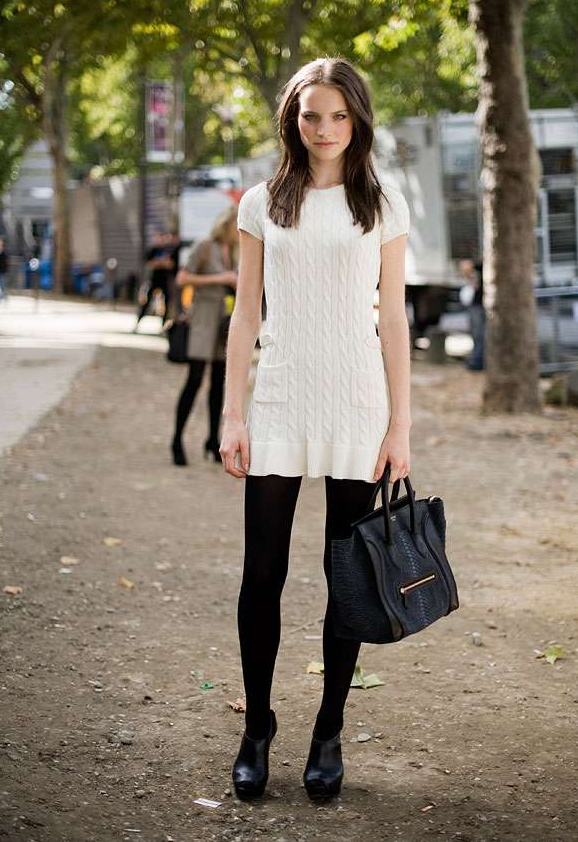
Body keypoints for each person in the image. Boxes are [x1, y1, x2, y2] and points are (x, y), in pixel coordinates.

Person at [219, 58, 411, 800]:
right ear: (292, 121)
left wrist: (400, 427)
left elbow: (392, 320)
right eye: (310, 116)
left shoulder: (383, 205)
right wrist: (232, 413)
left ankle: (328, 730)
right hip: (280, 398)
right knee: (261, 573)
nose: (324, 129)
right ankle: (257, 726)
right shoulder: (261, 204)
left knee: (346, 576)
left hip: (358, 405)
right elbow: (245, 314)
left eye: (337, 115)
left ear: (357, 119)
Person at [171, 205, 238, 466]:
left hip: (224, 319)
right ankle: (177, 439)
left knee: (219, 382)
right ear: (227, 224)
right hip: (202, 317)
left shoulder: (237, 251)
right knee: (195, 378)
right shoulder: (205, 246)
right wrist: (220, 277)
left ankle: (212, 439)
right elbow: (182, 278)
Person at [134, 231, 179, 330]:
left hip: (165, 280)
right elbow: (150, 264)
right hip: (154, 280)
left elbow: (170, 264)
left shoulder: (168, 250)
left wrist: (159, 262)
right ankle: (138, 322)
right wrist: (162, 262)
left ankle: (163, 325)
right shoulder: (153, 250)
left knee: (167, 302)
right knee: (147, 301)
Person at [459, 258, 485, 370]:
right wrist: (471, 282)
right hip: (477, 305)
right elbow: (465, 265)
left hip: (487, 306)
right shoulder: (484, 264)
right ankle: (476, 361)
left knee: (483, 335)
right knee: (478, 335)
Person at [0, 236, 8, 302]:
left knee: (1, 284)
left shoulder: (3, 253)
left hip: (1, 271)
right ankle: (2, 296)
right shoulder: (2, 253)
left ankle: (2, 296)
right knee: (0, 284)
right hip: (0, 271)